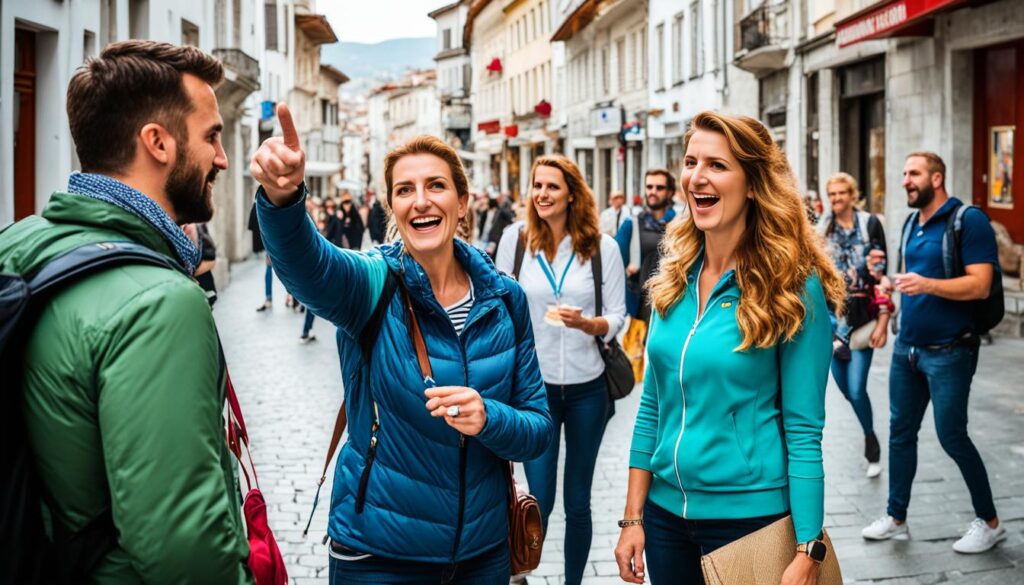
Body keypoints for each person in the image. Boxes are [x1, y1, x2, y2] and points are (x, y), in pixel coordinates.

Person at [250, 118, 554, 583]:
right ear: (392, 206)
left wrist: (488, 418)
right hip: (380, 556)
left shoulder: (504, 298)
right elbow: (309, 265)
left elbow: (537, 428)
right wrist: (284, 199)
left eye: (436, 185)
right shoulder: (374, 283)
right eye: (405, 189)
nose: (422, 200)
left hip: (482, 555)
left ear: (462, 202)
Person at [0, 41, 251, 582]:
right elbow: (186, 551)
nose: (223, 158)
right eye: (212, 135)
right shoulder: (160, 302)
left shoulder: (18, 243)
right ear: (158, 143)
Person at [614, 112, 846, 585]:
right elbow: (653, 406)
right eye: (691, 161)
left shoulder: (793, 286)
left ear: (755, 183)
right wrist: (633, 517)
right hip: (664, 518)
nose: (697, 176)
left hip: (749, 522)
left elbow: (804, 428)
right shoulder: (673, 276)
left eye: (717, 165)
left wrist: (808, 549)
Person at [861, 152, 1006, 553]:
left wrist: (926, 284)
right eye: (904, 172)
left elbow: (979, 285)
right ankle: (896, 518)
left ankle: (990, 522)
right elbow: (913, 280)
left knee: (952, 436)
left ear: (936, 178)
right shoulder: (911, 223)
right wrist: (889, 286)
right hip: (908, 349)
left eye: (913, 173)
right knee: (900, 434)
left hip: (950, 350)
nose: (905, 180)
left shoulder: (968, 220)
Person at [495, 155, 627, 585]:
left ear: (572, 192)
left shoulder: (602, 247)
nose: (542, 194)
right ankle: (519, 572)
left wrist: (589, 324)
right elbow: (499, 309)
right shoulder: (515, 241)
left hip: (589, 386)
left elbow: (619, 317)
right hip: (537, 389)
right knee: (540, 497)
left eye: (552, 186)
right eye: (537, 186)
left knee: (578, 500)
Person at [817, 172, 891, 479]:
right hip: (834, 320)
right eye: (831, 194)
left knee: (858, 388)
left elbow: (882, 274)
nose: (835, 200)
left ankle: (871, 443)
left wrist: (883, 320)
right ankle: (868, 430)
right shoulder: (822, 229)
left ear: (852, 194)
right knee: (846, 390)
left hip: (862, 317)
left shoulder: (869, 224)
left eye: (840, 194)